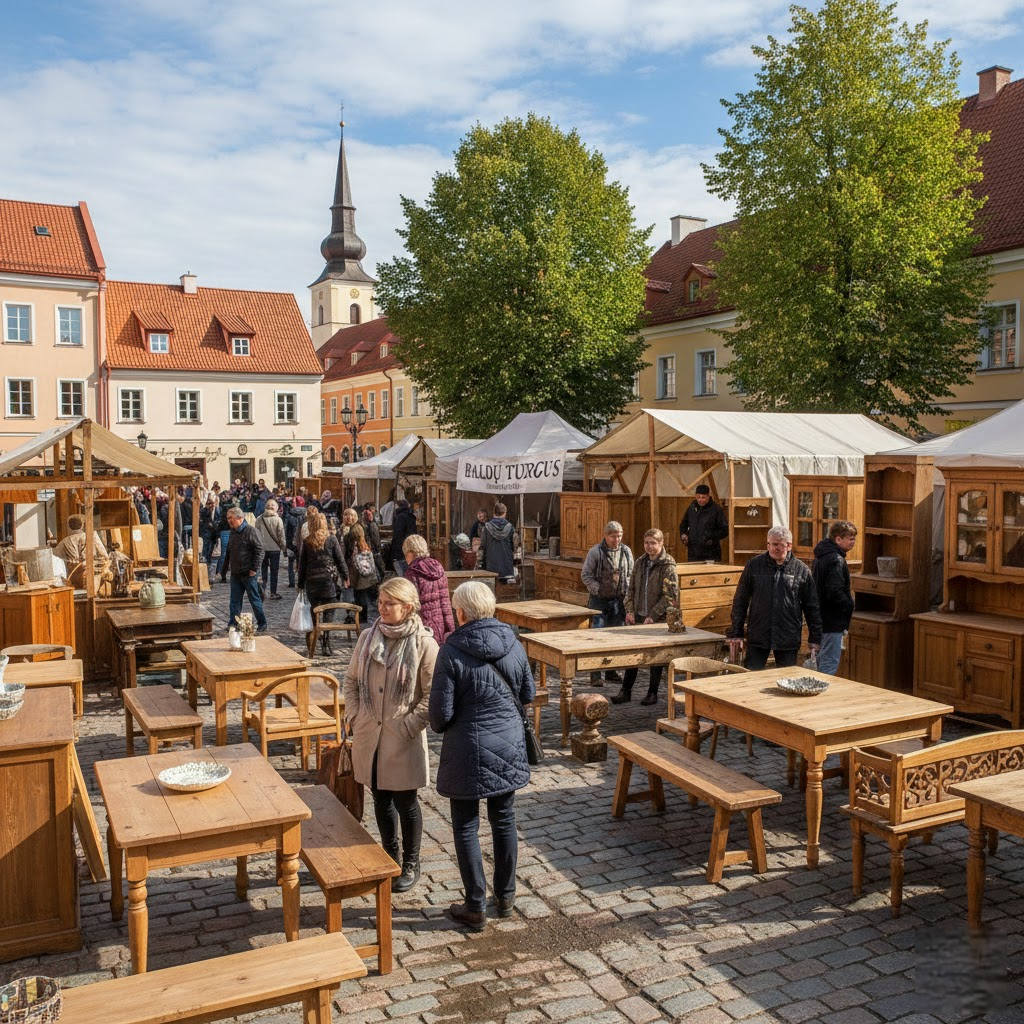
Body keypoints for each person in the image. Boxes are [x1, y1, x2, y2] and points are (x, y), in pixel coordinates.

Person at [429, 581, 535, 931]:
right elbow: (527, 693)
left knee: (465, 825)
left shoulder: (452, 650)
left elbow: (440, 717)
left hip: (467, 748)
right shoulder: (515, 645)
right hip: (507, 744)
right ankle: (505, 896)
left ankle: (475, 905)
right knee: (503, 819)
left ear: (460, 613)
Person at [343, 577, 437, 892]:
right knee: (380, 796)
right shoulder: (368, 638)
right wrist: (355, 716)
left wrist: (410, 724)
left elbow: (433, 694)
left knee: (406, 800)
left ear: (407, 607)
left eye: (389, 603)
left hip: (402, 736)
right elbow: (351, 681)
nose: (382, 608)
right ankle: (389, 851)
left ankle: (412, 860)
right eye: (380, 602)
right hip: (370, 733)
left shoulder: (424, 643)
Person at [728, 526, 822, 671]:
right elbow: (740, 600)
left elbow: (812, 607)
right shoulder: (754, 565)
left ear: (789, 545)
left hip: (787, 636)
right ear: (767, 544)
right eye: (772, 544)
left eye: (779, 544)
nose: (775, 548)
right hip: (758, 634)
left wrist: (815, 638)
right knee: (750, 677)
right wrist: (736, 633)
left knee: (787, 679)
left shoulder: (801, 570)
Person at [612, 529, 679, 705]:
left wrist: (653, 615)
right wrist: (630, 610)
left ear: (661, 543)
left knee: (655, 659)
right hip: (639, 615)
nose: (649, 546)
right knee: (632, 656)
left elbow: (671, 596)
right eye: (647, 542)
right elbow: (630, 588)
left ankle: (652, 692)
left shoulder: (668, 565)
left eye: (653, 543)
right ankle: (625, 691)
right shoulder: (640, 562)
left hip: (657, 619)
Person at [580, 521, 633, 686]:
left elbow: (631, 574)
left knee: (614, 638)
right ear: (605, 535)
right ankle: (595, 675)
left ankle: (611, 672)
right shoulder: (596, 552)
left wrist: (627, 596)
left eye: (619, 535)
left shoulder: (626, 551)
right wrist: (598, 590)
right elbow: (586, 575)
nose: (616, 539)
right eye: (613, 536)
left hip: (618, 601)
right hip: (598, 602)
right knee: (596, 637)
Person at [298, 511, 349, 654]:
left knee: (315, 611)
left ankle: (316, 635)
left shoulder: (307, 541)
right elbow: (340, 560)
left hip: (312, 581)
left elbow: (302, 565)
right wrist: (346, 577)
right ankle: (326, 641)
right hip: (328, 581)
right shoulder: (331, 539)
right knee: (329, 612)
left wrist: (300, 584)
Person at [811, 520, 857, 674]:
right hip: (832, 620)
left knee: (821, 659)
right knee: (829, 663)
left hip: (821, 617)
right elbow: (834, 592)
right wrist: (849, 604)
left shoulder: (821, 555)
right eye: (850, 539)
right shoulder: (836, 560)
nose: (853, 542)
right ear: (838, 539)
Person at [403, 534, 456, 643]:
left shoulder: (412, 572)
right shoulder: (438, 567)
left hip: (422, 625)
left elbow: (412, 604)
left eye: (405, 553)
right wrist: (450, 627)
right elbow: (445, 601)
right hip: (440, 623)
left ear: (411, 552)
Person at [225, 507, 267, 632]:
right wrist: (223, 570)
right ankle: (233, 622)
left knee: (254, 599)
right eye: (228, 518)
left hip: (248, 573)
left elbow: (259, 550)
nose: (229, 521)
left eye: (230, 518)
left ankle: (262, 622)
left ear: (239, 518)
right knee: (234, 601)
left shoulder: (251, 531)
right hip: (236, 572)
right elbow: (229, 551)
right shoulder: (233, 532)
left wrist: (254, 569)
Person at [679, 484, 729, 563]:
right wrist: (683, 534)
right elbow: (683, 524)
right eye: (698, 497)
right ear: (695, 496)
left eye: (703, 497)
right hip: (693, 553)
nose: (701, 500)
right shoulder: (692, 507)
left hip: (711, 553)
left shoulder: (716, 509)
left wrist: (711, 537)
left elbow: (725, 530)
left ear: (708, 496)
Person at [346, 523, 380, 626]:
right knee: (368, 600)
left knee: (360, 601)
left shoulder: (355, 547)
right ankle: (366, 620)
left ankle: (361, 621)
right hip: (369, 577)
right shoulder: (365, 544)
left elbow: (354, 563)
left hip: (360, 578)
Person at [255, 499, 287, 600]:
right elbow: (281, 536)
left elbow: (256, 534)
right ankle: (273, 592)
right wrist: (284, 548)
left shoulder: (259, 518)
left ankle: (263, 590)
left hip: (263, 549)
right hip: (275, 549)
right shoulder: (278, 519)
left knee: (263, 570)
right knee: (274, 572)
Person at [479, 502, 516, 582]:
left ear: (494, 513)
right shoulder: (510, 527)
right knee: (505, 593)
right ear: (504, 513)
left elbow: (482, 546)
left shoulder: (486, 527)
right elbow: (514, 546)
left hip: (491, 568)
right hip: (507, 568)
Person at [390, 500, 418, 576]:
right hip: (410, 547)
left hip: (401, 549)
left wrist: (394, 550)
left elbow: (397, 535)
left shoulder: (400, 517)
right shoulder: (411, 517)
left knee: (402, 573)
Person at [284, 496, 306, 588]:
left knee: (291, 563)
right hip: (304, 542)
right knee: (303, 562)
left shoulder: (289, 515)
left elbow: (285, 530)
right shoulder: (307, 514)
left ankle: (292, 581)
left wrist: (285, 544)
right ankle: (302, 580)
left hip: (291, 543)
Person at [199, 497, 219, 565]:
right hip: (206, 532)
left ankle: (208, 559)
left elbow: (217, 520)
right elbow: (203, 522)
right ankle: (205, 560)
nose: (211, 505)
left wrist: (214, 526)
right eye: (209, 504)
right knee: (206, 547)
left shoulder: (217, 510)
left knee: (211, 548)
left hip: (214, 532)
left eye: (212, 504)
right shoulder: (204, 511)